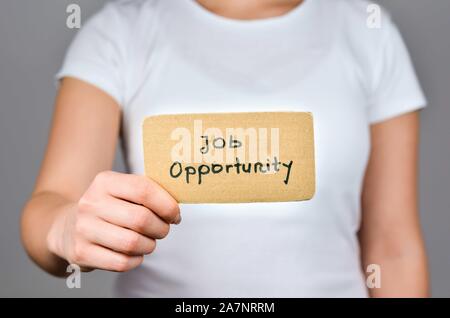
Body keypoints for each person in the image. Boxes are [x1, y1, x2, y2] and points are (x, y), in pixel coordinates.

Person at [21, 0, 429, 297]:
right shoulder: (120, 33)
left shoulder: (369, 32)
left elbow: (392, 245)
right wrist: (66, 229)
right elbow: (52, 204)